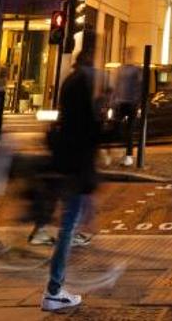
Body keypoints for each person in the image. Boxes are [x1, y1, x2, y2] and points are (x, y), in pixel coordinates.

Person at [43, 30, 104, 312]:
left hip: (67, 159)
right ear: (91, 52)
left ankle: (55, 288)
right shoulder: (84, 81)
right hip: (77, 163)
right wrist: (107, 126)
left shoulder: (71, 79)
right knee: (68, 226)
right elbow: (88, 126)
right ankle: (54, 290)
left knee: (69, 223)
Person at [111, 58, 146, 166]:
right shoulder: (120, 69)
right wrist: (114, 99)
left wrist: (137, 102)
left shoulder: (136, 70)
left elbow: (140, 86)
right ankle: (125, 152)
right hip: (121, 102)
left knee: (129, 130)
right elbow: (116, 85)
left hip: (131, 103)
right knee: (117, 126)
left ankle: (128, 155)